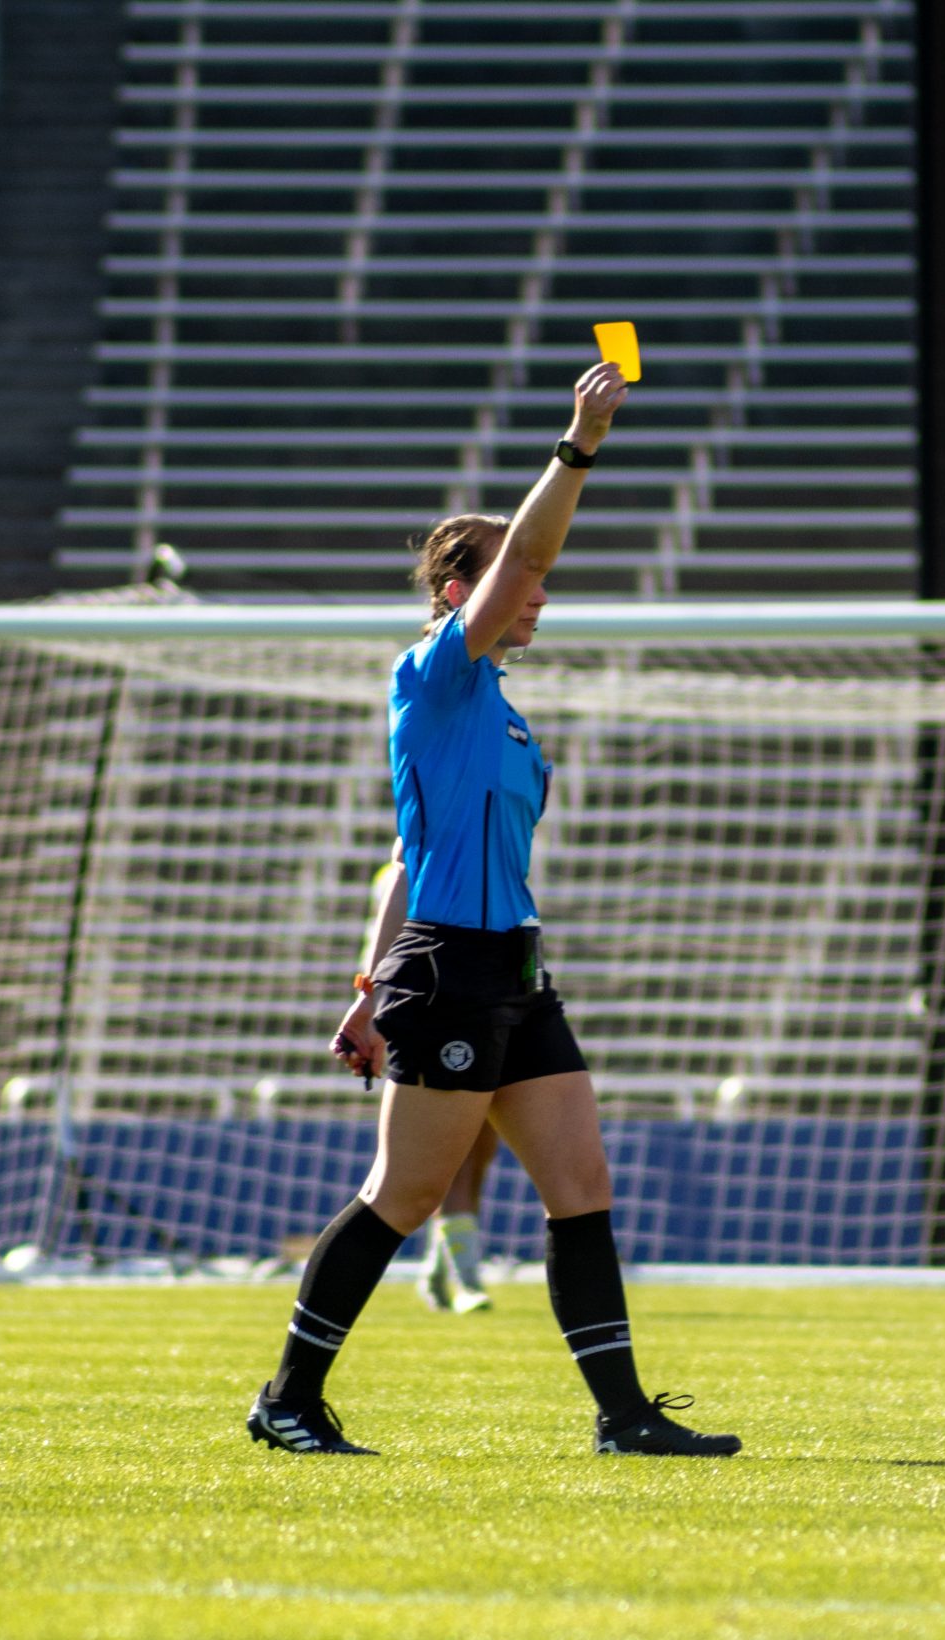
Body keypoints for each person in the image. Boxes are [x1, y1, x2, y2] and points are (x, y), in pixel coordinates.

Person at [246, 360, 740, 1456]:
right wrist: (579, 444)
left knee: (581, 1185)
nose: (543, 593)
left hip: (509, 971)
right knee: (405, 1195)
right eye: (522, 578)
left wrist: (366, 990)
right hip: (455, 972)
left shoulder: (501, 719)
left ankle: (623, 1416)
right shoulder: (434, 676)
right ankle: (286, 1398)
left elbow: (400, 860)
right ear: (461, 595)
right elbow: (530, 548)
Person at [346, 841, 498, 1313]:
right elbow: (392, 948)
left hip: (483, 1004)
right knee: (445, 1161)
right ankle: (469, 1280)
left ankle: (439, 1268)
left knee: (477, 1155)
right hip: (429, 1011)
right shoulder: (407, 869)